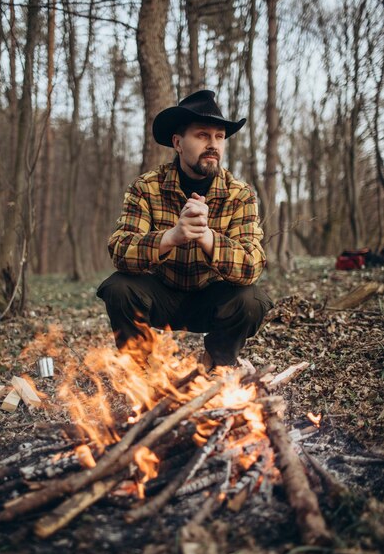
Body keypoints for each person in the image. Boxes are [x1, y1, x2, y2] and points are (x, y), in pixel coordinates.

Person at [97, 90, 273, 369]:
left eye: (219, 136)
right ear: (178, 143)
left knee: (251, 300)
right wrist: (171, 237)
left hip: (211, 298)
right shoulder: (146, 187)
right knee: (118, 288)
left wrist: (207, 237)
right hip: (161, 294)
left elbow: (252, 265)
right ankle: (139, 371)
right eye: (202, 135)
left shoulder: (240, 194)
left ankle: (216, 362)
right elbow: (120, 249)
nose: (213, 144)